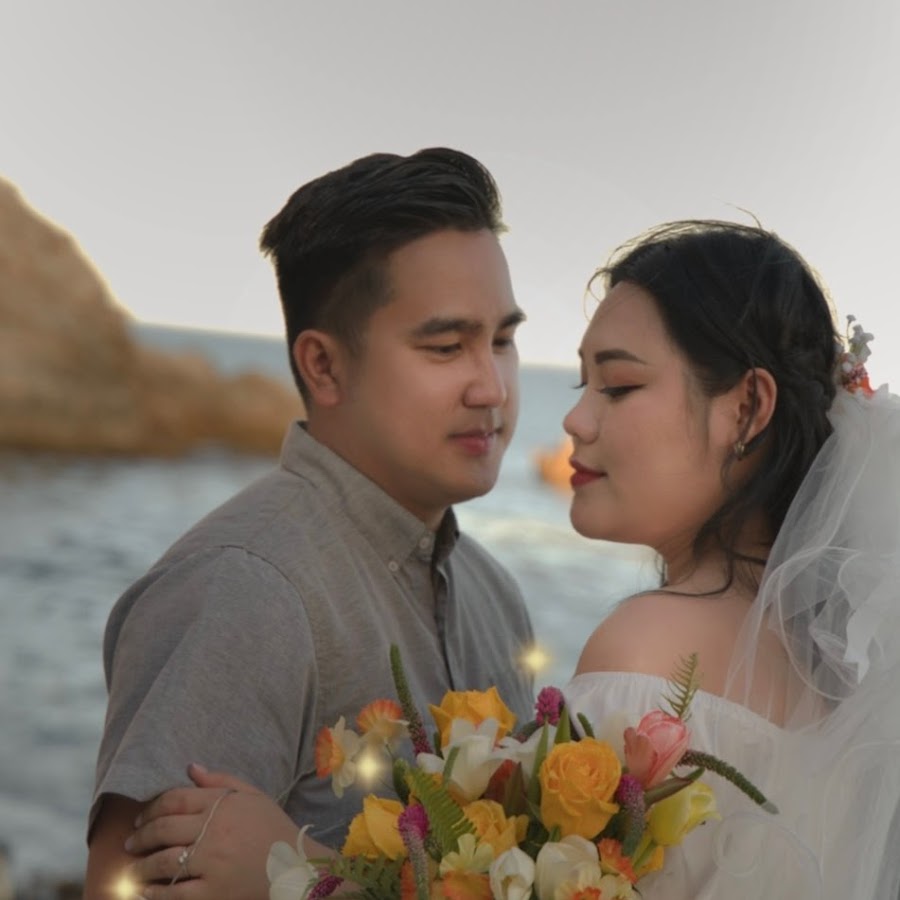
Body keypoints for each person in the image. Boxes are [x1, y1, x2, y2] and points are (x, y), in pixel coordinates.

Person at [122, 220, 900, 900]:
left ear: (749, 407)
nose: (573, 419)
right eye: (582, 382)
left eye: (619, 385)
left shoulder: (650, 649)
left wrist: (295, 870)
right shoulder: (840, 673)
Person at [83, 147, 536, 899]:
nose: (491, 387)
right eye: (446, 347)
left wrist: (308, 873)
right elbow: (125, 888)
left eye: (502, 341)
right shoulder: (244, 589)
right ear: (323, 366)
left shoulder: (494, 595)